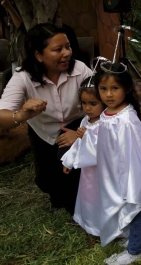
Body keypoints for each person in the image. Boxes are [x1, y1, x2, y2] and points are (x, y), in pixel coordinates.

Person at [64, 62, 141, 264]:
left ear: (126, 89)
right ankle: (136, 239)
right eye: (103, 89)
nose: (108, 94)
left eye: (115, 88)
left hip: (128, 177)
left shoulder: (127, 120)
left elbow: (135, 153)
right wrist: (76, 152)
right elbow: (100, 146)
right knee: (125, 211)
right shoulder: (106, 115)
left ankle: (134, 251)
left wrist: (131, 183)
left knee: (134, 209)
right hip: (112, 176)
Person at [0, 23, 92, 214]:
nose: (67, 53)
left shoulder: (80, 69)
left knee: (71, 165)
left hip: (75, 124)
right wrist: (22, 115)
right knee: (46, 179)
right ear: (38, 55)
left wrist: (82, 135)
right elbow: (0, 116)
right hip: (42, 131)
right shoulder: (23, 77)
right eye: (58, 49)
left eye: (68, 46)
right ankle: (57, 198)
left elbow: (102, 104)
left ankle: (78, 208)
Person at [61, 77, 104, 236]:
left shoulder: (106, 123)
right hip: (89, 173)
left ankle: (106, 226)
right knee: (90, 196)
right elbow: (78, 144)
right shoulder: (85, 120)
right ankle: (92, 224)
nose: (87, 108)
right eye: (84, 103)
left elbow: (104, 148)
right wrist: (69, 160)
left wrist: (88, 137)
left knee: (102, 197)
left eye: (93, 104)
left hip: (103, 171)